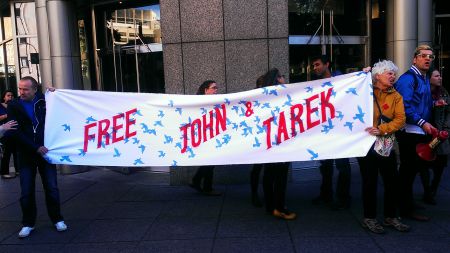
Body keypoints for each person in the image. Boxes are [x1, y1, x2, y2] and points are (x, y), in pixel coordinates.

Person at [7, 76, 68, 238]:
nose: (21, 92)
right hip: (26, 154)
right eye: (20, 88)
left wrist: (56, 94)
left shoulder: (43, 100)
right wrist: (35, 147)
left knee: (52, 188)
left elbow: (60, 110)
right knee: (26, 191)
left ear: (35, 89)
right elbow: (15, 131)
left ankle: (57, 219)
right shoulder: (13, 105)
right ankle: (28, 223)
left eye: (25, 89)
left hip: (45, 153)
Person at [358, 60, 410, 234]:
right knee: (369, 182)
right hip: (365, 145)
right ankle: (369, 218)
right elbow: (349, 93)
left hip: (386, 144)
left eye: (393, 73)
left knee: (392, 181)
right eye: (389, 73)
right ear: (377, 76)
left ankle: (390, 216)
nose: (392, 76)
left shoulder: (396, 96)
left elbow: (400, 119)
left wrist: (381, 129)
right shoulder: (365, 89)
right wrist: (361, 75)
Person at [394, 45, 437, 221]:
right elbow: (404, 106)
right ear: (414, 59)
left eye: (431, 56)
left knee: (413, 169)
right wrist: (422, 122)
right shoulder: (408, 79)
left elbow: (421, 102)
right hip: (410, 131)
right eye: (423, 56)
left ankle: (406, 202)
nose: (428, 59)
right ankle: (405, 208)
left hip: (419, 130)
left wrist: (434, 106)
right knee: (408, 170)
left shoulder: (424, 77)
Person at [310, 55, 352, 210]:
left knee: (343, 166)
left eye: (317, 64)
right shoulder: (317, 84)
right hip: (325, 132)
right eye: (313, 66)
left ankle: (343, 198)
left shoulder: (341, 80)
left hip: (340, 131)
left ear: (327, 64)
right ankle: (326, 194)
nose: (315, 68)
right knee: (326, 166)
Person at [260, 68, 296, 220]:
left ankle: (271, 206)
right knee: (280, 178)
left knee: (269, 176)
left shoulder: (262, 96)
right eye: (281, 77)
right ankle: (280, 208)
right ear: (276, 80)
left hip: (269, 143)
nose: (283, 79)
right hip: (281, 143)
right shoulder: (283, 96)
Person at [419, 69, 449, 205]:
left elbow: (449, 112)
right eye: (436, 76)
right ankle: (427, 191)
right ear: (429, 78)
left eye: (440, 75)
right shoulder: (423, 92)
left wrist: (447, 129)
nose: (440, 78)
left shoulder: (443, 93)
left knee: (440, 164)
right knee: (424, 164)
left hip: (441, 134)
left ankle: (433, 190)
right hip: (425, 133)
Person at [189, 80, 222, 196]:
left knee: (209, 162)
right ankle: (206, 187)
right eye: (213, 88)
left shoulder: (214, 102)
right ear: (205, 90)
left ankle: (197, 181)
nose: (216, 90)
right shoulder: (198, 103)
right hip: (203, 136)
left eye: (216, 88)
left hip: (211, 135)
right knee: (210, 162)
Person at [250, 75, 265, 207]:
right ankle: (255, 194)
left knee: (260, 169)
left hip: (269, 137)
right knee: (257, 168)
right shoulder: (254, 98)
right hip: (260, 138)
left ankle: (259, 194)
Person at [1, 90, 19, 179]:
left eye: (12, 95)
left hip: (16, 132)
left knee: (17, 153)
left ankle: (18, 170)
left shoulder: (15, 105)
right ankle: (4, 172)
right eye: (8, 95)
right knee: (7, 153)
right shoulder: (1, 106)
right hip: (5, 133)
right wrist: (7, 115)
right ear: (4, 97)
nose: (10, 97)